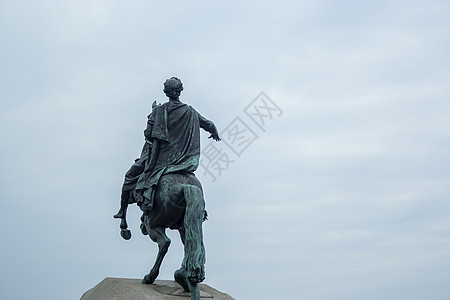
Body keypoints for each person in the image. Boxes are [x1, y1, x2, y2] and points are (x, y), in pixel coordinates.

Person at [135, 77, 220, 213]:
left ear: (166, 92)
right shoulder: (190, 111)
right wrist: (214, 133)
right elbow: (209, 124)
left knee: (137, 178)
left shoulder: (159, 111)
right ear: (180, 90)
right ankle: (200, 211)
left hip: (163, 164)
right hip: (185, 164)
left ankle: (142, 204)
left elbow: (148, 134)